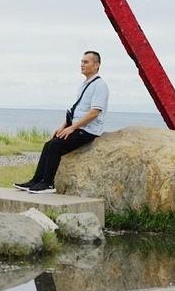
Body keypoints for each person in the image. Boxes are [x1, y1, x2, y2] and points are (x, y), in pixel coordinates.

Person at [14, 50, 109, 194]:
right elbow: (76, 110)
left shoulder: (100, 85)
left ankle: (47, 184)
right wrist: (63, 127)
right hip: (77, 127)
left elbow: (94, 113)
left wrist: (72, 129)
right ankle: (36, 180)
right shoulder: (85, 84)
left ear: (96, 65)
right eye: (82, 62)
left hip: (88, 130)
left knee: (55, 146)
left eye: (86, 62)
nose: (82, 64)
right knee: (49, 144)